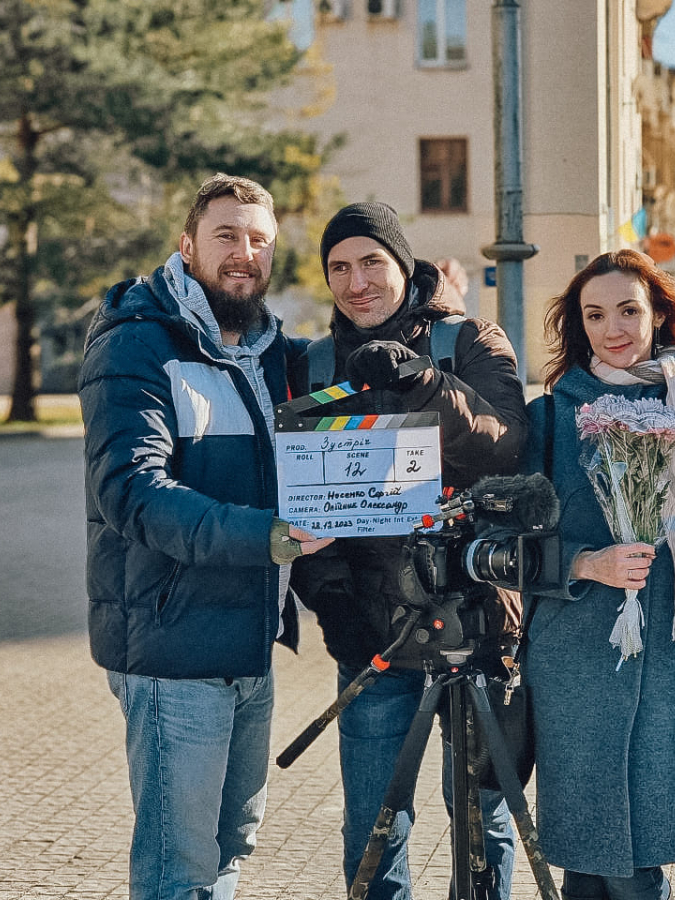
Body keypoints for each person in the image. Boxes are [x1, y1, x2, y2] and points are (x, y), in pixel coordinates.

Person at [78, 173, 332, 900]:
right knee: (176, 870)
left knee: (229, 849)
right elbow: (133, 493)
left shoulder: (269, 353)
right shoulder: (137, 347)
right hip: (171, 647)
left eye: (259, 241)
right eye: (227, 236)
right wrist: (274, 537)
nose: (244, 253)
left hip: (249, 642)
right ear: (187, 246)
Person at [288, 202, 528, 900]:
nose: (356, 280)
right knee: (373, 829)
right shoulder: (313, 363)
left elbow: (508, 443)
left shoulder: (468, 340)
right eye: (339, 267)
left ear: (402, 264)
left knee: (482, 822)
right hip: (372, 631)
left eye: (371, 262)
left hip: (473, 622)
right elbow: (305, 494)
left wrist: (428, 385)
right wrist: (330, 600)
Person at [524, 250, 675, 900]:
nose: (615, 326)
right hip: (574, 669)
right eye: (596, 313)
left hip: (670, 664)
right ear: (578, 325)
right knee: (584, 868)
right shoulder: (552, 416)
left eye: (630, 309)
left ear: (658, 312)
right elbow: (506, 546)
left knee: (640, 868)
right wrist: (587, 562)